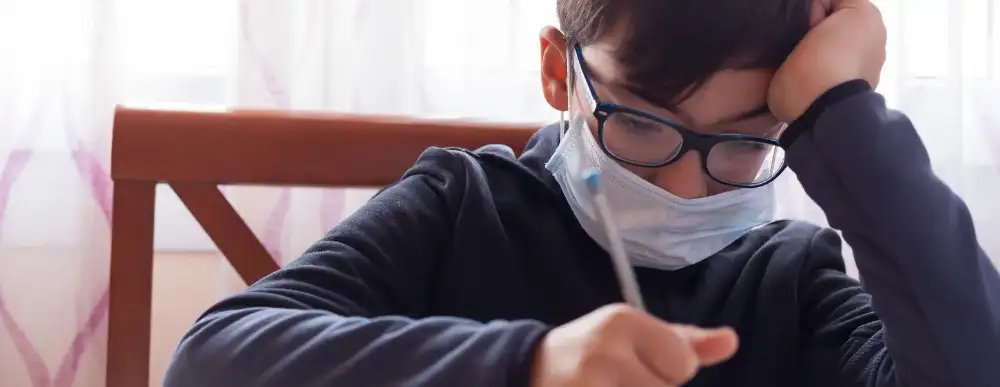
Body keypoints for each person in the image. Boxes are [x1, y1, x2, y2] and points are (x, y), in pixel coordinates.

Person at [164, 0, 1000, 385]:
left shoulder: (792, 280)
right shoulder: (462, 205)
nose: (679, 184)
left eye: (742, 141)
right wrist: (527, 364)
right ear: (557, 73)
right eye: (640, 125)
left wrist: (841, 114)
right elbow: (210, 362)